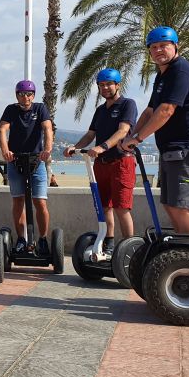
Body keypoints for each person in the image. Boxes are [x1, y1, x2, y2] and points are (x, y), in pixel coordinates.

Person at [121, 26, 189, 235]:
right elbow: (150, 111)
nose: (158, 51)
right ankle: (182, 255)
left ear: (175, 46)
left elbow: (166, 110)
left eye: (164, 45)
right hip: (173, 149)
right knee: (171, 204)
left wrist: (138, 138)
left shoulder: (181, 70)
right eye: (153, 47)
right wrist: (130, 136)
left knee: (182, 207)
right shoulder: (163, 75)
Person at [64, 68, 138, 252]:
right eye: (101, 85)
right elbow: (90, 134)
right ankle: (109, 244)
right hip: (101, 164)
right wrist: (75, 146)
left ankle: (131, 250)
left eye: (108, 84)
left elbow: (122, 131)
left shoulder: (127, 104)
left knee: (122, 208)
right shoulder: (100, 110)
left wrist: (102, 147)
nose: (105, 88)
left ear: (117, 85)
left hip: (121, 162)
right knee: (105, 207)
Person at [0, 79, 54, 255]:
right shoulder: (11, 109)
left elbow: (47, 129)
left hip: (36, 161)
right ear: (17, 96)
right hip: (15, 161)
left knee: (40, 202)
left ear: (33, 95)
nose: (26, 98)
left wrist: (47, 149)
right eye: (22, 94)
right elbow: (2, 130)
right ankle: (21, 239)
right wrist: (5, 151)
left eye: (29, 94)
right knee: (18, 201)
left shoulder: (40, 109)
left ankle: (43, 239)